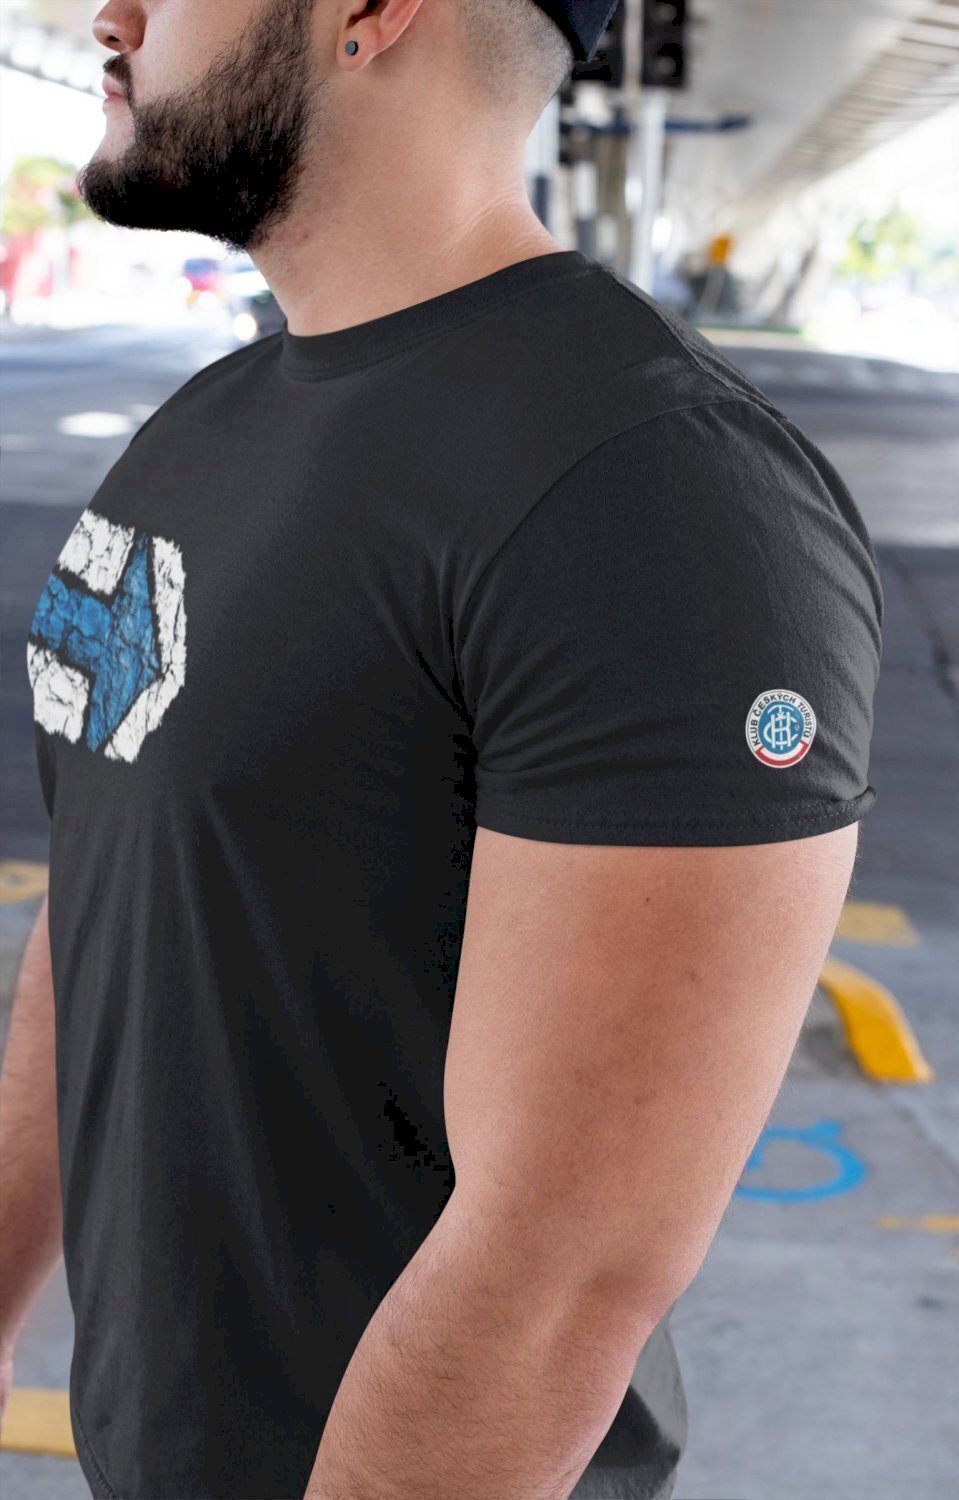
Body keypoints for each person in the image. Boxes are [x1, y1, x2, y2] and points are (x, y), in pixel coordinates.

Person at [0, 0, 883, 1495]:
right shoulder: (198, 433)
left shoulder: (657, 496)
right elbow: (101, 917)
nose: (112, 15)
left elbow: (560, 1274)